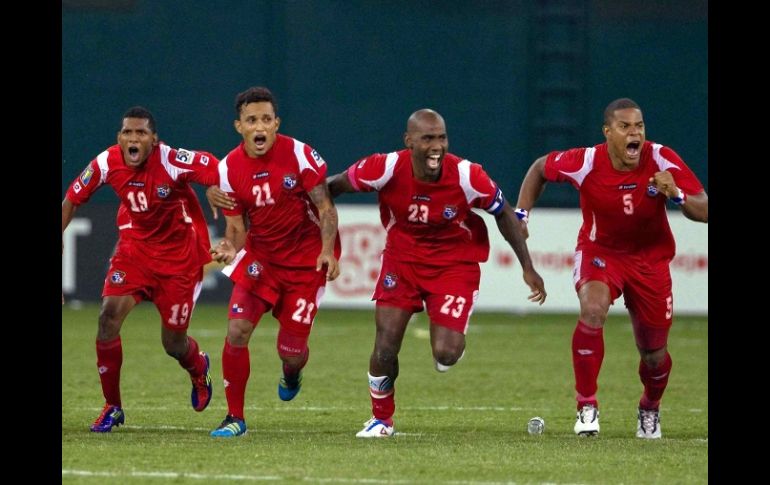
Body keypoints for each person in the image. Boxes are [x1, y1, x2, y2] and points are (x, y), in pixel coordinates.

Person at [327, 108, 547, 438]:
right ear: (409, 141)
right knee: (385, 345)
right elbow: (332, 187)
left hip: (453, 265)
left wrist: (527, 266)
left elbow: (502, 213)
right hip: (401, 261)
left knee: (446, 354)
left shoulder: (467, 175)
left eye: (442, 138)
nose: (436, 146)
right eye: (428, 138)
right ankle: (381, 419)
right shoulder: (384, 167)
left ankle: (450, 337)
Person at [516, 98, 708, 439]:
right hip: (600, 252)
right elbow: (539, 169)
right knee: (592, 309)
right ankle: (586, 406)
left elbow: (704, 209)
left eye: (639, 126)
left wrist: (676, 194)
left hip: (650, 262)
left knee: (654, 355)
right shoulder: (587, 161)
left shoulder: (661, 157)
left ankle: (649, 407)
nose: (634, 133)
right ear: (608, 132)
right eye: (625, 127)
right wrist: (523, 213)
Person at [62, 106, 219, 432]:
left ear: (154, 140)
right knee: (108, 318)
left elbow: (213, 166)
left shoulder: (171, 160)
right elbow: (71, 199)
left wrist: (219, 188)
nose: (133, 138)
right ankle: (113, 406)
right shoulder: (107, 162)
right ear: (119, 137)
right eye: (127, 133)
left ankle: (198, 366)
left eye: (141, 133)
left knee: (173, 344)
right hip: (134, 253)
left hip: (180, 262)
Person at [207, 86, 341, 438]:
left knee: (291, 352)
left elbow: (326, 208)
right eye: (252, 120)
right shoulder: (228, 169)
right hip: (262, 260)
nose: (260, 126)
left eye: (266, 119)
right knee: (237, 331)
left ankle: (292, 372)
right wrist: (228, 245)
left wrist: (327, 250)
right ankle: (234, 417)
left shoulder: (300, 156)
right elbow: (236, 228)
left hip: (304, 265)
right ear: (240, 126)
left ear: (276, 123)